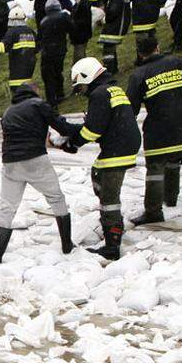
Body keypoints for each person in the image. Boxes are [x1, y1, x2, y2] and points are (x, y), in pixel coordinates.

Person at [0, 83, 76, 263]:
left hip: (10, 163)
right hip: (35, 159)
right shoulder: (38, 104)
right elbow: (63, 127)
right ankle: (66, 244)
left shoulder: (8, 112)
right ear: (34, 92)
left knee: (7, 206)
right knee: (56, 198)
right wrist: (81, 133)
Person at [62, 57, 141, 260]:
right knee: (97, 174)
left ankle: (112, 244)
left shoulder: (98, 94)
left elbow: (92, 131)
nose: (81, 92)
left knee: (109, 198)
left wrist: (73, 143)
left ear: (87, 77)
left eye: (80, 87)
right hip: (124, 143)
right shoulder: (113, 89)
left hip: (117, 147)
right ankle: (113, 224)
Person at [125, 36, 182, 224]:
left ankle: (153, 211)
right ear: (158, 47)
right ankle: (171, 197)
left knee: (155, 166)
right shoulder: (177, 63)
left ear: (139, 53)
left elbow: (132, 108)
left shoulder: (139, 75)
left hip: (158, 126)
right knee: (174, 158)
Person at [0, 4, 38, 96]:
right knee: (28, 95)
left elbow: (2, 48)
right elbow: (37, 48)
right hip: (29, 69)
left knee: (18, 97)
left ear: (12, 19)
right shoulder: (31, 31)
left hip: (17, 72)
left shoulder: (12, 32)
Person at [39, 0, 72, 106]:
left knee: (48, 76)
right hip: (60, 50)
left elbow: (40, 38)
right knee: (58, 72)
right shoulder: (64, 17)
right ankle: (60, 94)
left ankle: (51, 100)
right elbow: (72, 28)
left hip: (47, 52)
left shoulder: (43, 21)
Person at [98, 0, 131, 73]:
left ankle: (109, 69)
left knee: (108, 49)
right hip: (121, 24)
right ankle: (113, 68)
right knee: (111, 47)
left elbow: (113, 12)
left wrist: (106, 15)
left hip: (114, 26)